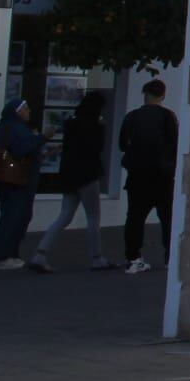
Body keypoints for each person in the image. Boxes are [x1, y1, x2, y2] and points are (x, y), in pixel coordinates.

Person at [29, 94, 112, 272]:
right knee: (93, 217)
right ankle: (96, 257)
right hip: (88, 174)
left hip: (69, 174)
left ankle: (40, 253)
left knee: (64, 215)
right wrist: (101, 127)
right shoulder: (94, 125)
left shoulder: (71, 123)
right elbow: (97, 149)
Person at [118, 78, 177, 274]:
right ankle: (170, 257)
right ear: (162, 95)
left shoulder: (132, 117)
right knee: (167, 218)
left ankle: (134, 258)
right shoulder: (168, 116)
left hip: (137, 175)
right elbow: (175, 143)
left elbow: (122, 144)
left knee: (135, 217)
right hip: (162, 175)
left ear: (145, 94)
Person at [0, 98, 44, 270]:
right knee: (14, 217)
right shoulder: (16, 128)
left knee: (14, 216)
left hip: (9, 179)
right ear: (17, 112)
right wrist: (41, 138)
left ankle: (8, 253)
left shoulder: (5, 127)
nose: (28, 111)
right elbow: (21, 150)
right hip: (16, 180)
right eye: (25, 108)